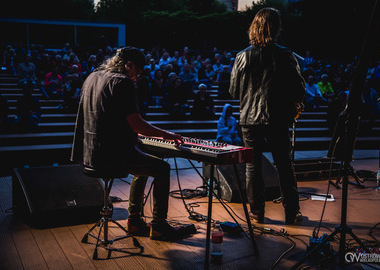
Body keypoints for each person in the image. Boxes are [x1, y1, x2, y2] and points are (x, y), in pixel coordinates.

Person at [71, 46, 184, 241]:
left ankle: (134, 220)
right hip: (112, 156)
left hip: (90, 154)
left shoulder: (92, 77)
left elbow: (105, 117)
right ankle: (158, 226)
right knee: (162, 168)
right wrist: (166, 134)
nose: (136, 77)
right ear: (129, 65)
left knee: (144, 161)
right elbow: (136, 124)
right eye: (137, 72)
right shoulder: (122, 82)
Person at [229, 8, 306, 225]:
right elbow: (299, 91)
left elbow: (233, 91)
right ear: (276, 28)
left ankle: (256, 211)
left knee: (252, 166)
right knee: (284, 164)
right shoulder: (286, 55)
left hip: (249, 119)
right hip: (277, 118)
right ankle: (292, 212)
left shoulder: (241, 56)